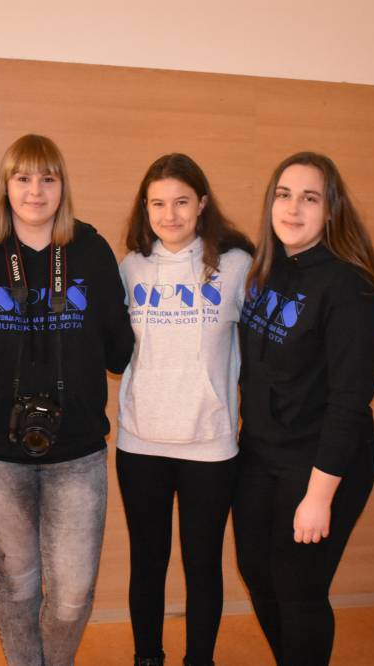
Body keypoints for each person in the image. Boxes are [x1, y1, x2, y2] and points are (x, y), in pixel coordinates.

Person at [0, 134, 134, 666]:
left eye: (48, 179)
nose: (35, 191)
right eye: (23, 178)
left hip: (76, 451)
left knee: (71, 594)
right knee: (17, 585)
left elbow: (119, 350)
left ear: (63, 187)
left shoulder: (91, 252)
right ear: (5, 186)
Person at [233, 151, 374, 666]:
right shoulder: (268, 267)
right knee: (257, 571)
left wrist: (319, 497)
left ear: (331, 209)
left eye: (309, 198)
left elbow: (350, 401)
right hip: (260, 453)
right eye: (283, 195)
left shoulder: (351, 287)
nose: (292, 208)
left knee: (299, 589)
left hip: (320, 461)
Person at [115, 154, 253, 666]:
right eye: (157, 204)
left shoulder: (236, 266)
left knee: (202, 566)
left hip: (210, 445)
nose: (169, 215)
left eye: (181, 202)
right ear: (144, 208)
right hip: (141, 442)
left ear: (202, 204)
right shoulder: (130, 267)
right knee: (147, 564)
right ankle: (147, 658)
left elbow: (264, 353)